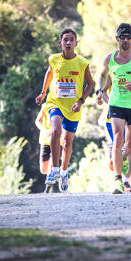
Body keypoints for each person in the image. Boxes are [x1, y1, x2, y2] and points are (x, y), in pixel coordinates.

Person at [35, 28, 94, 192]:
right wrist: (43, 93)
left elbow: (91, 84)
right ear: (60, 43)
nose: (68, 42)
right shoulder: (54, 59)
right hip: (55, 102)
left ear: (76, 43)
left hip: (73, 107)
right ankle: (54, 169)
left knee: (67, 142)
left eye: (71, 40)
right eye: (65, 40)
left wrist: (81, 101)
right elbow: (49, 74)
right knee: (55, 129)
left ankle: (64, 171)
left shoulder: (82, 63)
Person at [96, 23, 131, 194]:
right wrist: (100, 91)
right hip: (116, 103)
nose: (125, 40)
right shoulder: (109, 58)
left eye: (128, 37)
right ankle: (118, 181)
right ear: (117, 38)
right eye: (122, 37)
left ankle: (127, 178)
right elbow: (102, 75)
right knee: (118, 140)